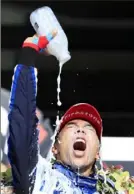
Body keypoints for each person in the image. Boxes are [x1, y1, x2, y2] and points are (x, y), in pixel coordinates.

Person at [7, 33, 134, 194]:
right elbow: (22, 127)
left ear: (97, 153)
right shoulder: (41, 179)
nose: (80, 129)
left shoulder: (115, 191)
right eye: (72, 126)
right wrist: (28, 55)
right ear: (54, 148)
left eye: (89, 128)